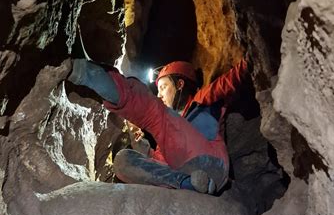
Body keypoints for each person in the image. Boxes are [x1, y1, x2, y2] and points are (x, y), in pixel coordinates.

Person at [66, 56, 249, 194]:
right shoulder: (171, 133)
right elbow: (162, 163)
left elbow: (229, 81)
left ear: (180, 84)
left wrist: (251, 61)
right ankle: (187, 184)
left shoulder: (201, 99)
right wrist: (144, 149)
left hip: (212, 161)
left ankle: (87, 73)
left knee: (153, 112)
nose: (160, 94)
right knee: (123, 160)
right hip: (191, 175)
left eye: (163, 87)